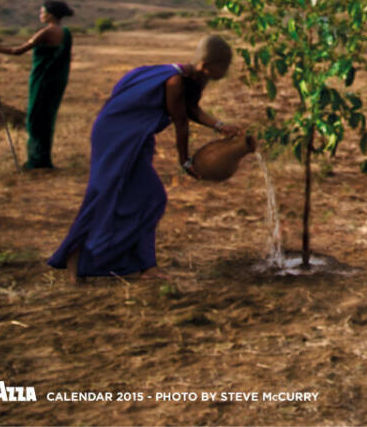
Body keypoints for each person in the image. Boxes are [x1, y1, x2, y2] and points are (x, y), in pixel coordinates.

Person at [47, 35, 243, 282]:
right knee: (128, 195)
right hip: (117, 137)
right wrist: (185, 161)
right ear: (207, 65)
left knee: (139, 197)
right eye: (223, 66)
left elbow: (190, 109)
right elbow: (181, 122)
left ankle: (138, 265)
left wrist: (220, 125)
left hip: (134, 137)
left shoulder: (191, 78)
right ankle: (81, 254)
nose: (225, 72)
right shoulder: (174, 81)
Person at [0, 0, 74, 169]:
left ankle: (37, 161)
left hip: (43, 80)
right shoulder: (65, 32)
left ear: (50, 15)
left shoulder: (46, 32)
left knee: (36, 119)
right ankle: (43, 159)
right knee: (47, 118)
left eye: (42, 12)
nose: (40, 15)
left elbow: (18, 51)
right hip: (57, 81)